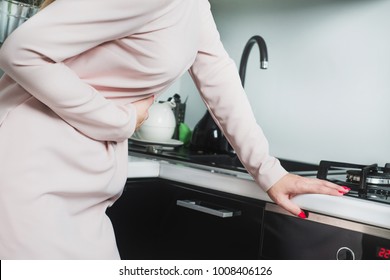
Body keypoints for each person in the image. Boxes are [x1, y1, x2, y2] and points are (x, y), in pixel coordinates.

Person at [0, 0, 349, 259]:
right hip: (32, 176)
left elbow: (218, 77)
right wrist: (119, 120)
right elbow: (21, 51)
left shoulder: (192, 4)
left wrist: (270, 172)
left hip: (84, 188)